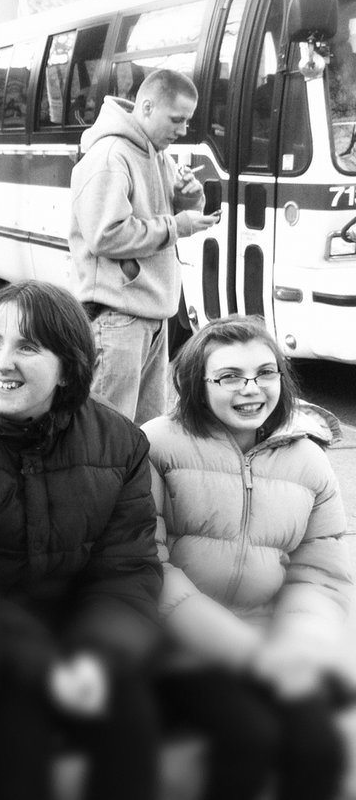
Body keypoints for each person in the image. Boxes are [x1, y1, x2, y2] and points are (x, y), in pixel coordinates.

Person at [0, 280, 163, 800]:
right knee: (18, 740)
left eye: (27, 346)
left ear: (69, 366)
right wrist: (43, 668)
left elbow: (127, 571)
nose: (1, 362)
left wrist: (97, 658)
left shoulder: (120, 445)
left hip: (81, 641)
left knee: (132, 722)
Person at [143, 316, 352, 800]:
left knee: (318, 747)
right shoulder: (155, 445)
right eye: (230, 377)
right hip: (181, 649)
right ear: (198, 382)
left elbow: (320, 574)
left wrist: (301, 645)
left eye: (265, 373)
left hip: (277, 644)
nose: (251, 389)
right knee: (249, 739)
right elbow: (149, 567)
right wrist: (251, 657)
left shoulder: (309, 461)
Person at [69, 68, 218, 425]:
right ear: (147, 107)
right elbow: (105, 235)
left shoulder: (157, 153)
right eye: (177, 120)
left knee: (144, 433)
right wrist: (176, 225)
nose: (182, 130)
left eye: (187, 121)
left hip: (150, 314)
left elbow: (161, 219)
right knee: (108, 434)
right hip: (116, 316)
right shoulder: (110, 155)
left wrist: (188, 200)